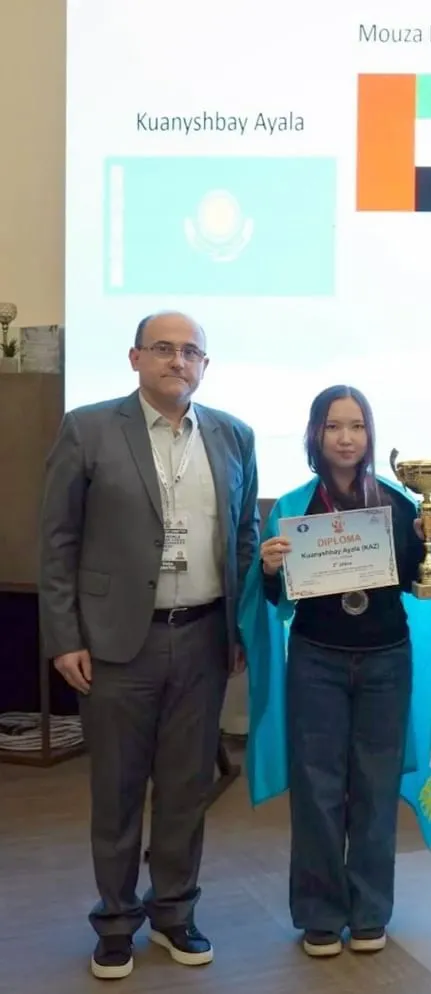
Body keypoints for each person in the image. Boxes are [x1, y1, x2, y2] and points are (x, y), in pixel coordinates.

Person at [37, 312, 259, 980]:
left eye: (190, 352)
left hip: (202, 637)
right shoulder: (88, 428)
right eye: (163, 349)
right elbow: (57, 539)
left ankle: (173, 913)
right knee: (117, 790)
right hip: (114, 645)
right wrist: (64, 636)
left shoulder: (234, 436)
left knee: (186, 790)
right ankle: (114, 921)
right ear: (135, 358)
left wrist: (241, 629)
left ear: (204, 367)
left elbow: (243, 538)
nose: (177, 361)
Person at [238, 385, 431, 958]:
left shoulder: (399, 502)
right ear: (314, 434)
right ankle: (320, 915)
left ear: (370, 435)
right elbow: (276, 600)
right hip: (316, 660)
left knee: (375, 787)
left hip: (385, 661)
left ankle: (370, 912)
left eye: (357, 426)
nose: (345, 438)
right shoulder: (293, 506)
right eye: (333, 426)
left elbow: (418, 583)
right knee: (317, 789)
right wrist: (268, 569)